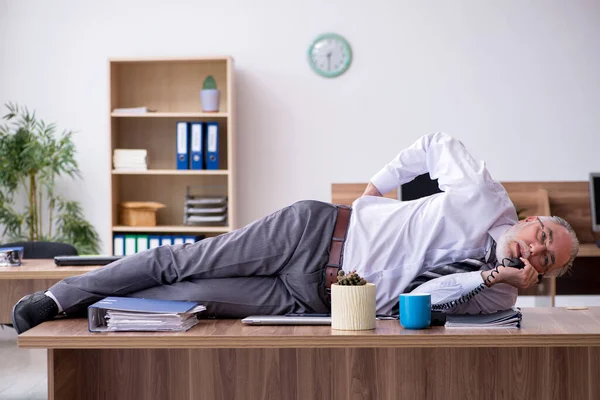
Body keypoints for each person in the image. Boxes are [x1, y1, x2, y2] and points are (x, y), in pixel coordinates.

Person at [11, 132, 579, 334]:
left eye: (547, 261)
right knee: (181, 261)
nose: (537, 251)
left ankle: (83, 310)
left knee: (191, 300)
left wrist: (487, 276)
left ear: (542, 274)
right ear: (531, 220)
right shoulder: (484, 195)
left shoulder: (498, 293)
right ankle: (56, 297)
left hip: (314, 300)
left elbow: (419, 304)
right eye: (545, 236)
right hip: (312, 233)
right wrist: (375, 189)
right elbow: (434, 143)